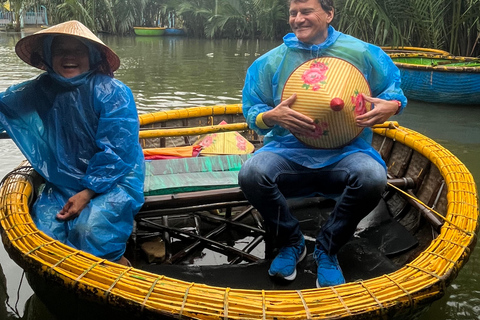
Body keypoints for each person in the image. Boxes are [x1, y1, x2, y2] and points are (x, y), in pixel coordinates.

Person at [238, 0, 407, 287]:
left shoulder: (362, 53)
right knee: (251, 174)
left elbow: (394, 91)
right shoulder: (270, 61)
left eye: (306, 11)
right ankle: (292, 242)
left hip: (347, 152)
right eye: (293, 13)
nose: (298, 19)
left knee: (372, 177)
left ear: (329, 14)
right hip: (286, 151)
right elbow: (252, 111)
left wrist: (393, 106)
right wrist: (270, 116)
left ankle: (327, 248)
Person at [0, 21, 145, 266]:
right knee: (46, 232)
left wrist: (88, 192)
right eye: (60, 51)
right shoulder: (42, 88)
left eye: (77, 50)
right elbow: (5, 107)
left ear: (91, 56)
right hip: (64, 178)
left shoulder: (113, 92)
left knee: (88, 229)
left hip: (115, 178)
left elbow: (117, 152)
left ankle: (117, 262)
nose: (69, 57)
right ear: (48, 56)